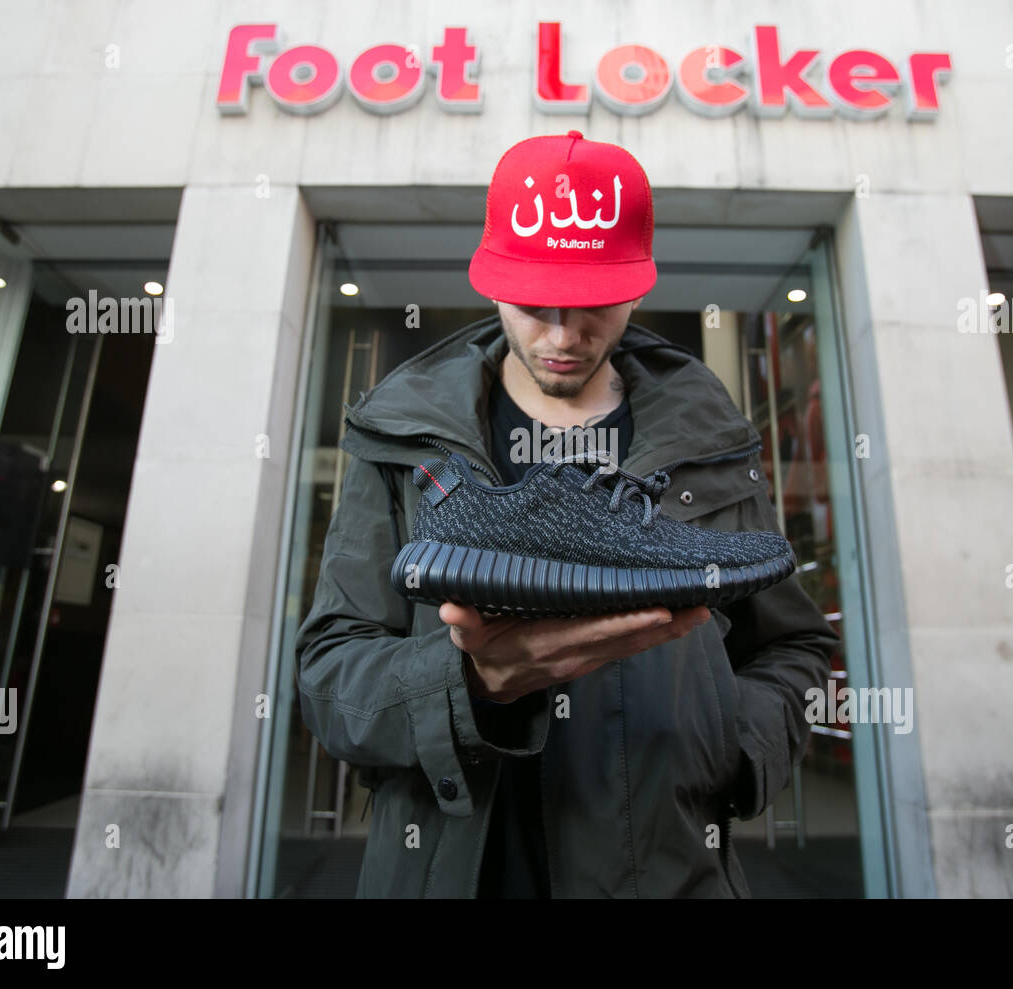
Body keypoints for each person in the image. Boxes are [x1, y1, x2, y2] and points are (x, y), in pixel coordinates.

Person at [294, 130, 838, 898]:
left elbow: (792, 644)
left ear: (638, 287)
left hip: (668, 871)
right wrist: (471, 683)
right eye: (533, 302)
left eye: (593, 304)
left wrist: (729, 749)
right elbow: (326, 676)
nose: (561, 333)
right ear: (491, 283)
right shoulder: (400, 437)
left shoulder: (708, 439)